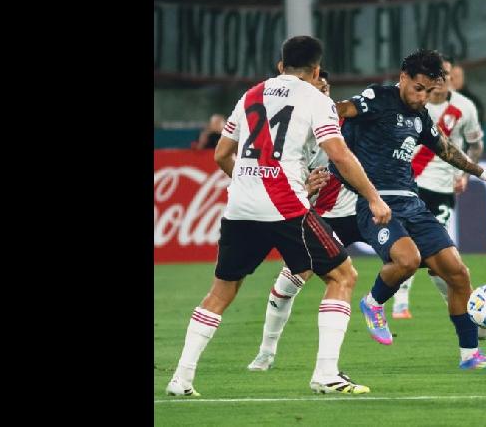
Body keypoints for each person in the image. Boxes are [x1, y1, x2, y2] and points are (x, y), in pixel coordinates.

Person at [165, 36, 392, 397]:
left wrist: (248, 180)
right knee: (343, 275)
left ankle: (181, 378)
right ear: (316, 70)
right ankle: (326, 374)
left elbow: (222, 154)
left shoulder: (251, 94)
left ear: (280, 65)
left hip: (240, 206)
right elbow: (340, 154)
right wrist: (373, 198)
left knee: (221, 291)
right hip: (285, 205)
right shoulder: (316, 99)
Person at [333, 48, 486, 371]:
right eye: (418, 88)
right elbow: (342, 109)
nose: (422, 97)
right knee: (408, 260)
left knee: (458, 273)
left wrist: (483, 173)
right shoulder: (376, 99)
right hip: (377, 203)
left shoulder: (419, 116)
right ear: (403, 77)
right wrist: (313, 108)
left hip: (412, 203)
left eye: (430, 91)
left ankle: (470, 356)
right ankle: (373, 302)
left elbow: (445, 149)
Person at [247, 70, 372, 372]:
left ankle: (466, 338)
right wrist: (307, 187)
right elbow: (284, 185)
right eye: (318, 87)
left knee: (412, 255)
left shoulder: (348, 124)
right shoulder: (293, 133)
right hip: (319, 216)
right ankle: (266, 351)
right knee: (291, 280)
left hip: (358, 213)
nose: (323, 92)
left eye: (326, 87)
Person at [389, 59, 486, 340]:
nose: (442, 79)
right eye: (438, 75)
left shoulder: (464, 107)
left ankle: (462, 308)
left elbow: (475, 143)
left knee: (439, 258)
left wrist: (467, 175)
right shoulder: (412, 104)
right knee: (409, 249)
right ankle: (401, 302)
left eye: (446, 74)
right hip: (409, 186)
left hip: (443, 188)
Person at [448, 60, 485, 126]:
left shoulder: (473, 101)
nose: (454, 80)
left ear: (463, 78)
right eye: (451, 77)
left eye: (457, 76)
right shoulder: (441, 98)